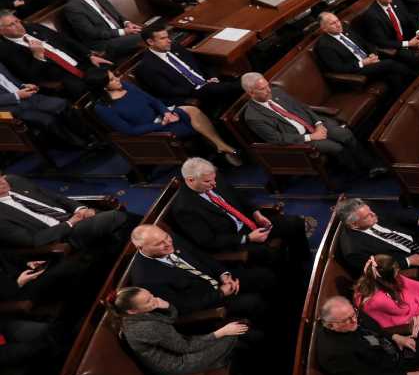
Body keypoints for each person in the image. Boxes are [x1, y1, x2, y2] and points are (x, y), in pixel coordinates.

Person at [239, 72, 389, 179]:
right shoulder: (253, 116)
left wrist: (318, 123)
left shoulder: (277, 92)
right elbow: (277, 138)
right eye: (263, 89)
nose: (268, 90)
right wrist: (311, 136)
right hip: (302, 139)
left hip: (314, 125)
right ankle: (357, 173)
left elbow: (303, 107)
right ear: (251, 93)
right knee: (336, 147)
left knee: (345, 134)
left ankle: (371, 165)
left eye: (267, 85)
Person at [170, 157, 310, 266]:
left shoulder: (212, 177)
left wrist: (256, 213)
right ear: (190, 180)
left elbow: (238, 196)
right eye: (208, 182)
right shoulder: (184, 208)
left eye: (214, 179)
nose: (214, 184)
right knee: (270, 254)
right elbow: (208, 241)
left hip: (249, 222)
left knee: (295, 223)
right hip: (233, 239)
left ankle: (305, 262)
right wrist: (247, 238)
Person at [126, 224, 275, 319]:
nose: (168, 244)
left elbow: (202, 256)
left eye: (166, 238)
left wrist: (224, 274)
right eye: (159, 244)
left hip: (219, 279)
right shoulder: (146, 279)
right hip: (209, 302)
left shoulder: (170, 239)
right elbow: (182, 307)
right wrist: (221, 293)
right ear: (141, 248)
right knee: (254, 303)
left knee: (263, 276)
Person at [91, 72, 240, 164]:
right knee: (192, 120)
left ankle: (219, 145)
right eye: (112, 79)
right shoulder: (103, 108)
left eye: (114, 76)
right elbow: (129, 130)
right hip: (152, 132)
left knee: (191, 110)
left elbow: (152, 100)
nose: (117, 79)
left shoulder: (126, 85)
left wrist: (166, 113)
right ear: (104, 87)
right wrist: (162, 124)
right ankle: (218, 148)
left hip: (163, 117)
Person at [112, 286, 249, 375]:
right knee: (232, 336)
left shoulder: (134, 315)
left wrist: (166, 306)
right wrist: (222, 332)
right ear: (132, 311)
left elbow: (170, 319)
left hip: (181, 347)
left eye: (151, 295)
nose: (155, 300)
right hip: (178, 364)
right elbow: (186, 347)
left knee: (236, 333)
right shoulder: (145, 328)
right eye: (148, 301)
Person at [0, 172, 133, 255]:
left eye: (0, 176)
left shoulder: (15, 181)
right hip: (60, 236)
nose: (2, 180)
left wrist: (80, 209)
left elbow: (57, 197)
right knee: (115, 217)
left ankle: (137, 247)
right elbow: (32, 240)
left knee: (115, 227)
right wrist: (70, 223)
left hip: (75, 217)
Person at [312, 11, 417, 92]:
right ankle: (416, 79)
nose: (338, 25)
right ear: (324, 28)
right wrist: (363, 63)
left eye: (337, 21)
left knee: (393, 76)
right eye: (332, 24)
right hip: (357, 72)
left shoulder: (345, 28)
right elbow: (338, 68)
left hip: (370, 61)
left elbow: (366, 43)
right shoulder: (324, 45)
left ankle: (406, 95)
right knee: (389, 64)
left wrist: (373, 54)